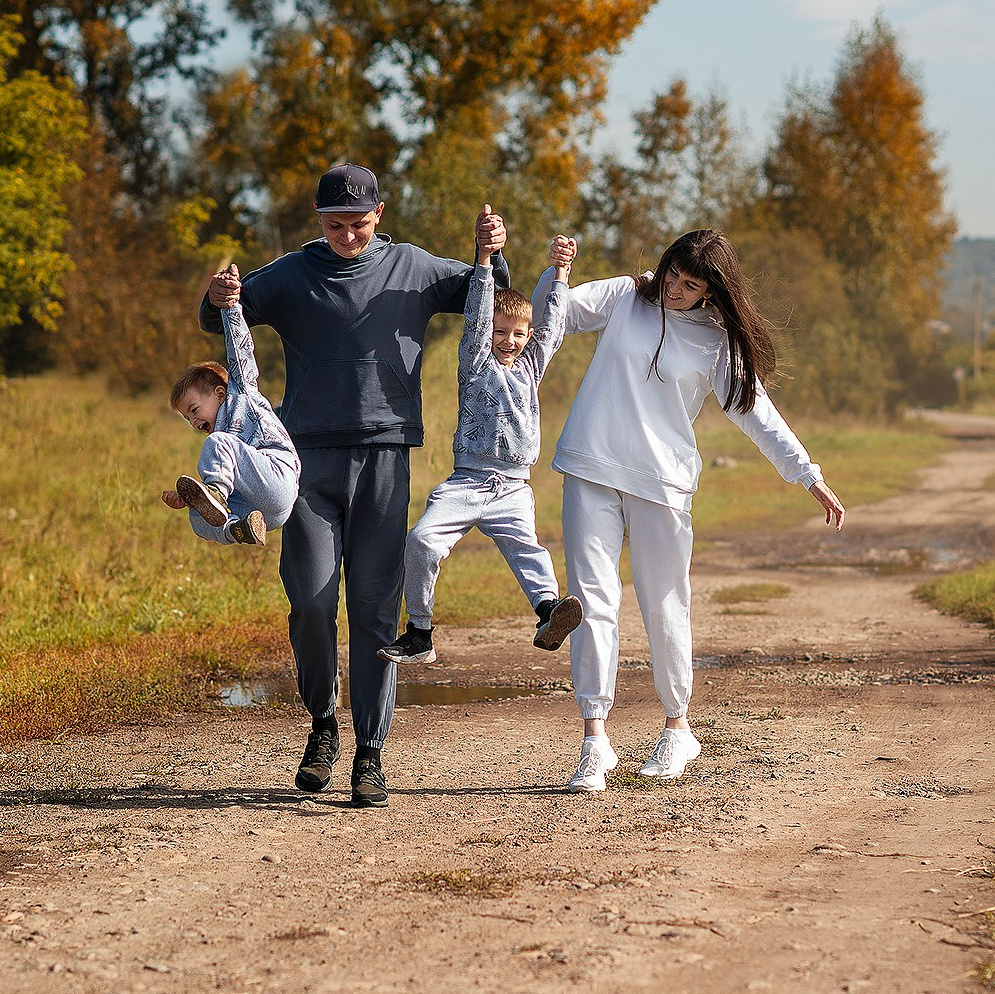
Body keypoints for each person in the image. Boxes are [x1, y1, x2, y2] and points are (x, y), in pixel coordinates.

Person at [199, 163, 510, 808]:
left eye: (359, 224)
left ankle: (371, 751)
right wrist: (220, 293)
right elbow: (223, 314)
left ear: (380, 215)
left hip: (385, 458)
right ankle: (322, 725)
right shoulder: (293, 273)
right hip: (305, 462)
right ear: (320, 221)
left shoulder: (412, 267)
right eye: (336, 225)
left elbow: (485, 292)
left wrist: (492, 252)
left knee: (374, 609)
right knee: (312, 603)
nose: (347, 236)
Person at [531, 228, 846, 794]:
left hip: (663, 484)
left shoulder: (716, 342)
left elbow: (755, 412)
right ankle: (594, 741)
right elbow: (553, 315)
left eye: (689, 284)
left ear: (711, 292)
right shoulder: (628, 294)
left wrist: (807, 473)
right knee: (592, 602)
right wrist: (555, 273)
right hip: (589, 465)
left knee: (664, 603)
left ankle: (678, 728)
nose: (673, 289)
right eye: (672, 273)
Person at [378, 233, 583, 666]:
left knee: (528, 549)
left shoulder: (530, 367)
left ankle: (548, 612)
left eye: (518, 334)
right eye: (500, 332)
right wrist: (485, 260)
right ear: (487, 334)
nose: (509, 340)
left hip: (513, 488)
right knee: (421, 541)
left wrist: (561, 273)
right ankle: (419, 632)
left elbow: (552, 329)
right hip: (467, 482)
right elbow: (475, 316)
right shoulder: (475, 363)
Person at [163, 290, 300, 547]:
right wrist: (190, 500)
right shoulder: (225, 447)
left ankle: (216, 492)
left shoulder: (241, 395)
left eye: (194, 410)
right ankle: (238, 529)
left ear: (219, 393)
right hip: (261, 512)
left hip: (277, 478)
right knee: (197, 518)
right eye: (187, 418)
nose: (194, 422)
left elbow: (240, 350)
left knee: (217, 443)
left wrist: (230, 306)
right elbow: (222, 481)